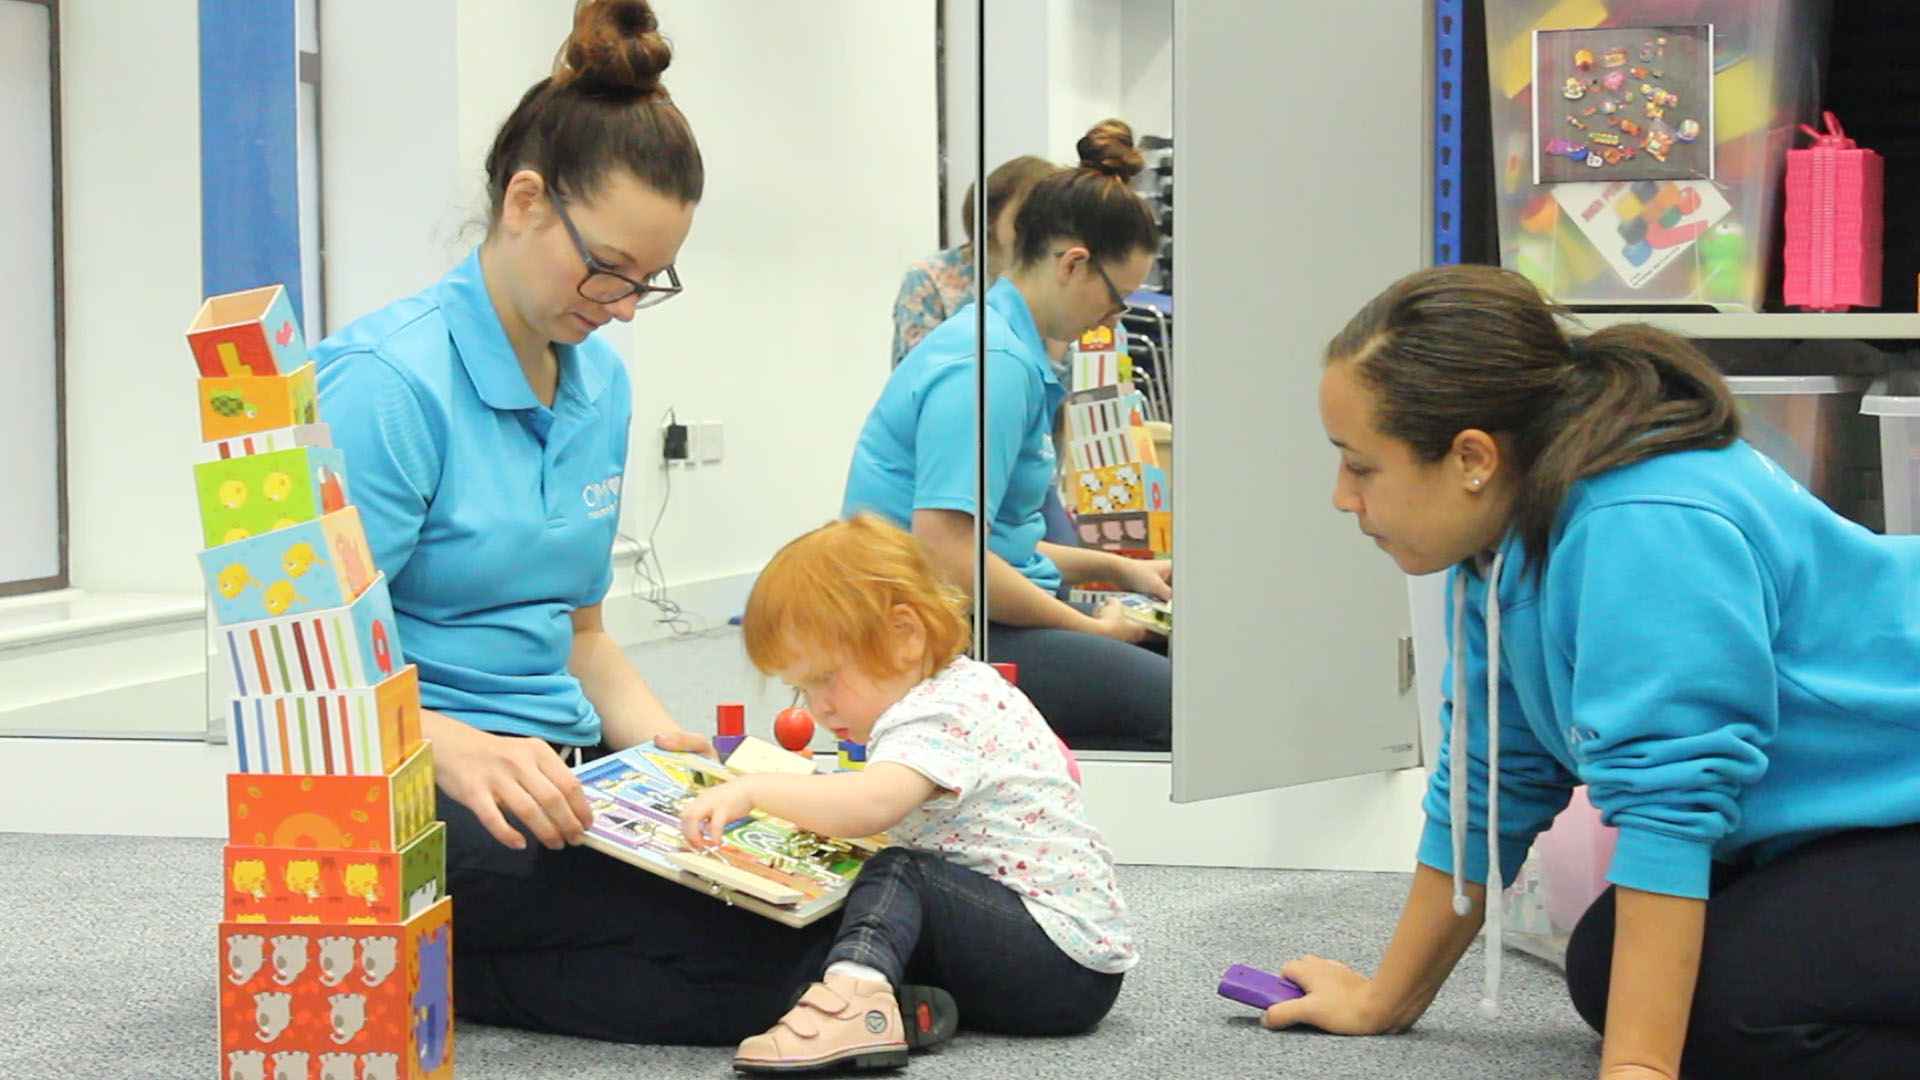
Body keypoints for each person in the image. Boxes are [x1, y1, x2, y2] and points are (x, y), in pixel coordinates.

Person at [311, 0, 836, 1046]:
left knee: (805, 885)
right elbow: (307, 675)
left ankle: (450, 952)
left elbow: (582, 633)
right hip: (397, 779)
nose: (626, 305)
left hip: (558, 765)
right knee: (771, 962)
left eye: (652, 280)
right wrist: (448, 745)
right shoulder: (383, 386)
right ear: (524, 201)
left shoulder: (596, 383)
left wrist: (673, 747)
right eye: (609, 268)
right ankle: (416, 963)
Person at [1268, 263, 1920, 1080]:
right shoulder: (1498, 543)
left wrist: (1638, 1071)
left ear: (1471, 457)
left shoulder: (1644, 520)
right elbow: (1490, 777)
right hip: (1860, 819)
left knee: (1732, 1013)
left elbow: (1670, 804)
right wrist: (1383, 1002)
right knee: (1611, 968)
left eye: (1360, 466)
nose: (1340, 496)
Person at [680, 514, 1136, 1072]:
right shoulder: (957, 687)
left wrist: (755, 791)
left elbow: (870, 805)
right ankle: (896, 1006)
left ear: (904, 635)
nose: (815, 707)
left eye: (825, 678)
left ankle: (854, 1004)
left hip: (1059, 965)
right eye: (802, 686)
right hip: (1041, 957)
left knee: (901, 872)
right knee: (870, 893)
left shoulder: (938, 712)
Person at [844, 119, 1173, 752]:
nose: (1115, 316)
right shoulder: (991, 365)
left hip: (955, 608)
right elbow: (947, 556)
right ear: (1074, 265)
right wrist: (1092, 633)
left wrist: (1120, 570)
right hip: (923, 631)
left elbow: (1003, 548)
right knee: (1174, 703)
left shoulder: (1005, 345)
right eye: (1118, 298)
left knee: (1161, 655)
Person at [890, 155, 1057, 367]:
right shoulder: (929, 277)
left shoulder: (1062, 278)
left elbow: (1078, 385)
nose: (1038, 230)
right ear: (990, 216)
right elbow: (914, 376)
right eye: (1027, 216)